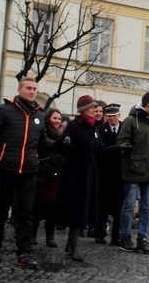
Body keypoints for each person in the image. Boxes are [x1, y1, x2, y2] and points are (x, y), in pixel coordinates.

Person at [0, 76, 51, 269]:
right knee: (0, 211)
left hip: (29, 170)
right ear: (20, 89)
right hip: (7, 167)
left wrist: (59, 144)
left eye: (35, 89)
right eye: (28, 88)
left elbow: (43, 142)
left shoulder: (40, 114)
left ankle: (24, 252)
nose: (32, 91)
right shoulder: (5, 110)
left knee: (26, 213)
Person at [116, 91, 149, 254]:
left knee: (147, 207)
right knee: (129, 205)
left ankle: (143, 238)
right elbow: (121, 142)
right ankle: (125, 236)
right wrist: (131, 154)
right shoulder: (131, 121)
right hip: (133, 171)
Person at [57, 95, 102, 262]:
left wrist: (118, 149)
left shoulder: (94, 128)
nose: (95, 111)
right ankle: (73, 245)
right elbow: (63, 144)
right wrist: (66, 141)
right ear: (83, 110)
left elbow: (100, 150)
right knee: (76, 208)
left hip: (90, 171)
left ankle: (71, 242)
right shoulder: (74, 126)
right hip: (75, 172)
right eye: (92, 108)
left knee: (84, 208)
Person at [34, 108, 65, 248]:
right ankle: (32, 233)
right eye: (55, 118)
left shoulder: (63, 134)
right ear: (48, 119)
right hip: (43, 173)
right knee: (37, 206)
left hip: (56, 173)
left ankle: (50, 235)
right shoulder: (43, 132)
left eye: (59, 119)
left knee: (53, 207)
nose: (57, 121)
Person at [95, 104, 124, 245]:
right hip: (105, 172)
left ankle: (116, 236)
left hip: (121, 172)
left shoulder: (125, 129)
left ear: (119, 115)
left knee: (119, 206)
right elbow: (100, 150)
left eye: (114, 115)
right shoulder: (100, 130)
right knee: (103, 206)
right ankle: (99, 233)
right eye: (109, 116)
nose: (112, 119)